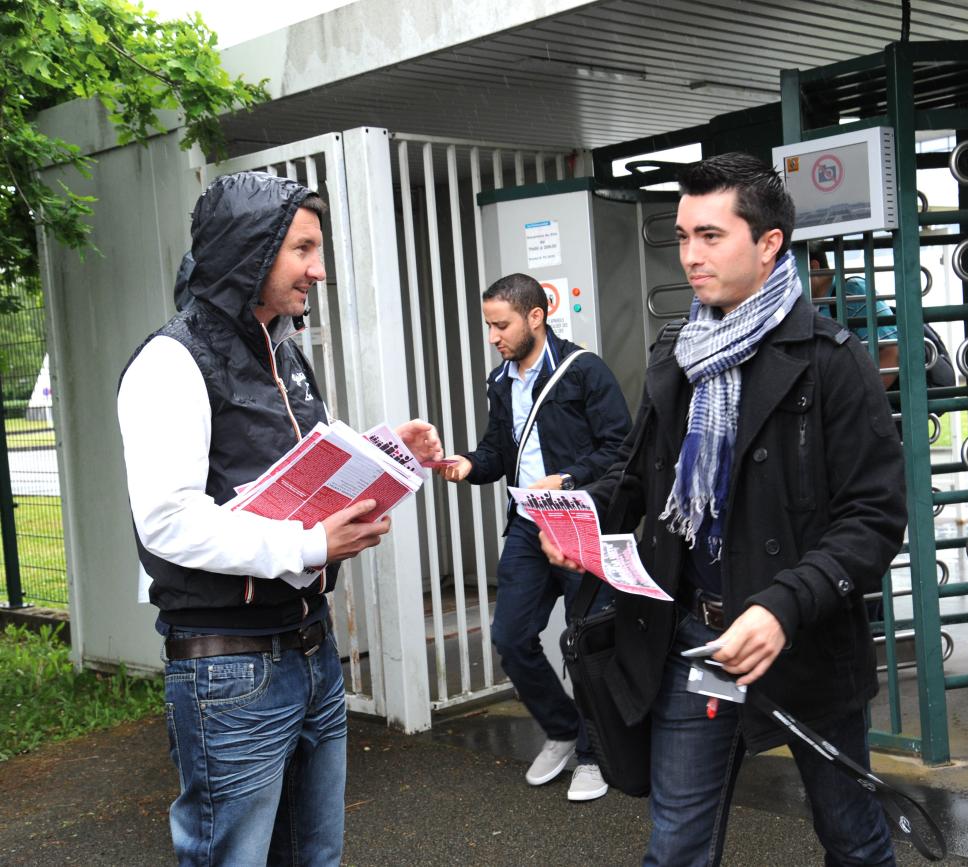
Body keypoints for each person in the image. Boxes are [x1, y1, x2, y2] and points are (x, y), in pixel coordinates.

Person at [541, 153, 908, 865]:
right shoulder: (676, 352)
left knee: (853, 840)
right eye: (683, 236)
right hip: (691, 640)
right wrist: (579, 516)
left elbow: (873, 515)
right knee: (676, 848)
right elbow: (638, 478)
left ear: (769, 243)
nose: (690, 255)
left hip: (800, 643)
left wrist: (782, 607)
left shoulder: (833, 361)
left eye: (710, 235)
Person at [117, 171, 443, 866]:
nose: (318, 270)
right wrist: (306, 541)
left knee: (313, 856)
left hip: (310, 650)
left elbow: (304, 471)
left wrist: (390, 453)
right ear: (250, 249)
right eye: (303, 249)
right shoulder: (172, 363)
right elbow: (167, 521)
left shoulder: (285, 352)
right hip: (231, 669)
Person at [438, 273, 631, 801]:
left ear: (536, 316)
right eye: (489, 326)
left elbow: (621, 447)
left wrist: (567, 479)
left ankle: (595, 754)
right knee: (510, 637)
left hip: (576, 517)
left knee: (584, 637)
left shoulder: (584, 371)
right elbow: (499, 452)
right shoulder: (500, 381)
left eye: (501, 325)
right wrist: (467, 465)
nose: (494, 336)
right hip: (527, 522)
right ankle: (565, 729)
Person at [806, 244, 900, 388]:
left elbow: (892, 351)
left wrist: (861, 400)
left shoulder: (852, 292)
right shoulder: (812, 307)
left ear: (813, 267)